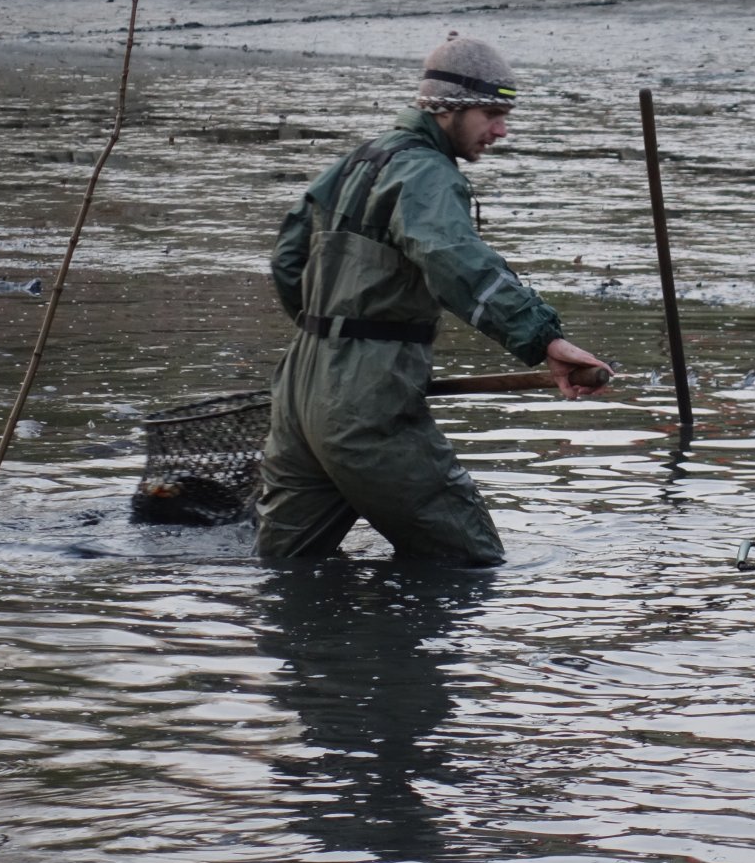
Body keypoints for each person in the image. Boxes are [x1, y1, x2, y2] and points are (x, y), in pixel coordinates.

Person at [256, 34, 608, 566]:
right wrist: (543, 339)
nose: (501, 130)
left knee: (287, 567)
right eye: (491, 114)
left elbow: (288, 261)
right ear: (447, 109)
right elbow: (453, 259)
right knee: (471, 562)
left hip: (298, 397)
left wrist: (329, 340)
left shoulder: (356, 162)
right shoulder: (428, 174)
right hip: (365, 404)